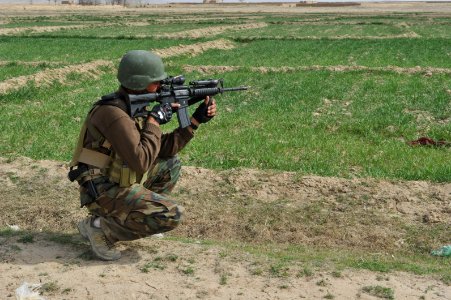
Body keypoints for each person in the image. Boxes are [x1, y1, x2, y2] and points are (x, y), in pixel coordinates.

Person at [69, 50, 216, 260]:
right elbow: (141, 161)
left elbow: (159, 149)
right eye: (156, 82)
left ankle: (133, 219)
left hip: (117, 179)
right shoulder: (114, 114)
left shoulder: (130, 108)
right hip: (101, 190)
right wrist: (154, 121)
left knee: (170, 164)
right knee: (171, 214)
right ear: (140, 83)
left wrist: (194, 122)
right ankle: (102, 228)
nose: (160, 86)